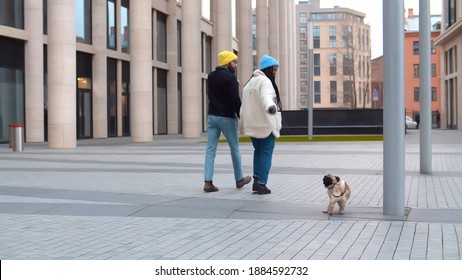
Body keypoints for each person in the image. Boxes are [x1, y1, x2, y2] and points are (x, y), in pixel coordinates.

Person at [203, 50, 252, 192]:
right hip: (226, 118)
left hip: (212, 117)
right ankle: (239, 179)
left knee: (210, 149)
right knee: (235, 148)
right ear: (227, 62)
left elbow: (212, 94)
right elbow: (235, 99)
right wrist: (241, 115)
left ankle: (208, 182)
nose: (236, 65)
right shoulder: (230, 78)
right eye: (234, 62)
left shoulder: (211, 76)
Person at [239, 55, 282, 195]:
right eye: (274, 70)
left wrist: (242, 123)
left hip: (252, 125)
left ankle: (256, 181)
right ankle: (262, 184)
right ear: (268, 69)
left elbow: (243, 105)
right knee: (266, 153)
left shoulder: (250, 82)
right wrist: (271, 106)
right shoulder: (265, 82)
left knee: (258, 152)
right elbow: (266, 97)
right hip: (265, 124)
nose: (275, 73)